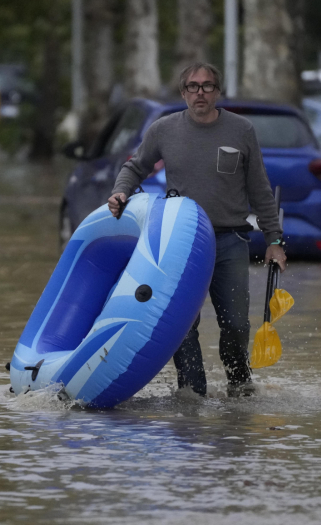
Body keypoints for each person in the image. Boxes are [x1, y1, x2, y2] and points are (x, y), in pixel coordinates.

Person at [108, 62, 286, 398]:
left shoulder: (242, 130)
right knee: (182, 327)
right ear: (183, 92)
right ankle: (192, 393)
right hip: (181, 243)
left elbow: (260, 189)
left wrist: (274, 240)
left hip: (230, 239)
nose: (199, 93)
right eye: (192, 86)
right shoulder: (164, 130)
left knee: (235, 324)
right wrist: (120, 191)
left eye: (207, 86)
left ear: (218, 92)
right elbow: (135, 168)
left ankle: (238, 385)